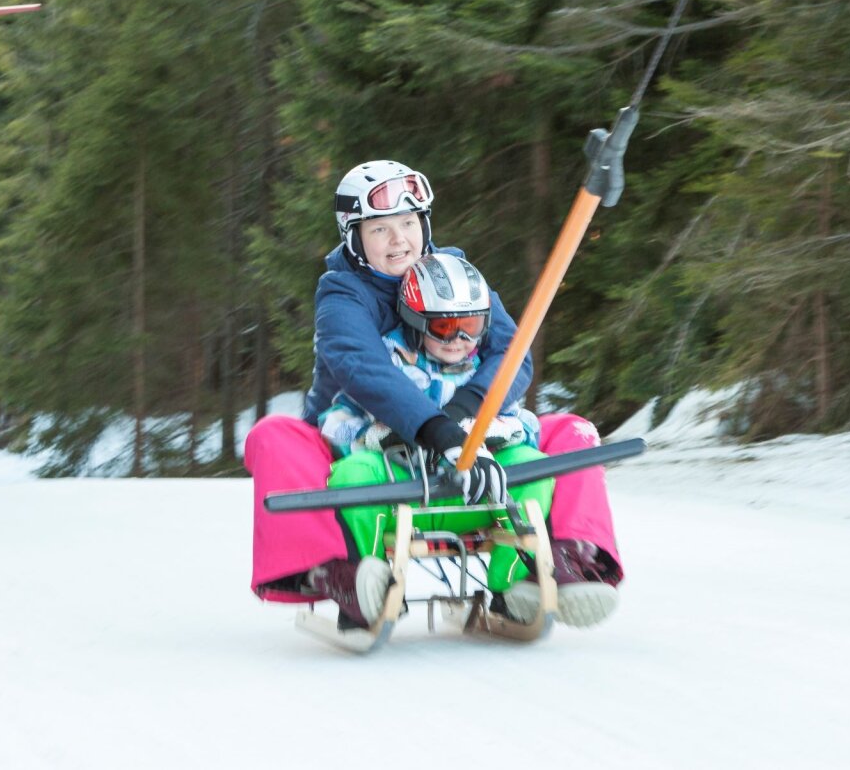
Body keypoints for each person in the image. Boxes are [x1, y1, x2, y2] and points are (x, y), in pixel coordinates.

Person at [243, 160, 623, 629]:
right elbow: (365, 372)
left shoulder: (454, 275)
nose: (399, 239)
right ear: (353, 237)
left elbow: (512, 351)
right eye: (380, 229)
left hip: (469, 428)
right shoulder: (343, 294)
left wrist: (465, 419)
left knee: (570, 431)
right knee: (274, 436)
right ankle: (342, 572)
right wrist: (441, 433)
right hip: (359, 432)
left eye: (407, 223)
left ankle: (563, 561)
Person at [320, 253, 555, 627]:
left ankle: (512, 585)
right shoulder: (389, 363)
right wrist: (385, 436)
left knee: (533, 466)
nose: (461, 339)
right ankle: (371, 583)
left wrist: (484, 437)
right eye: (445, 326)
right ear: (415, 321)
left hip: (476, 498)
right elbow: (337, 421)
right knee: (352, 475)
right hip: (402, 497)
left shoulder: (483, 370)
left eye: (472, 325)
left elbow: (521, 423)